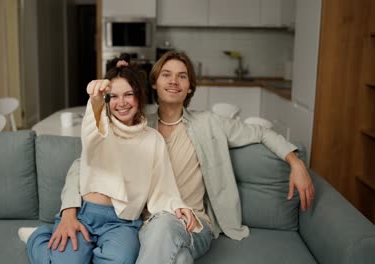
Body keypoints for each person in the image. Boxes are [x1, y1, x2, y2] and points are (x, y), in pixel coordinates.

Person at [55, 51, 315, 263]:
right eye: (166, 75)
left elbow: (261, 132)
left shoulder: (210, 123)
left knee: (165, 226)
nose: (173, 81)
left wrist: (296, 162)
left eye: (182, 77)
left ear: (190, 88)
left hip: (195, 222)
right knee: (178, 259)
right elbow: (84, 164)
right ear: (154, 84)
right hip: (146, 221)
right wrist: (69, 212)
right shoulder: (136, 126)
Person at [18, 54, 200, 264]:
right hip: (84, 216)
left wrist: (177, 205)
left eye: (128, 94)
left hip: (122, 223)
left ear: (139, 97)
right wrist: (95, 101)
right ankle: (36, 237)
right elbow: (92, 136)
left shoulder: (153, 139)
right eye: (113, 96)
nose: (121, 103)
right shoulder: (101, 129)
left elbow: (162, 186)